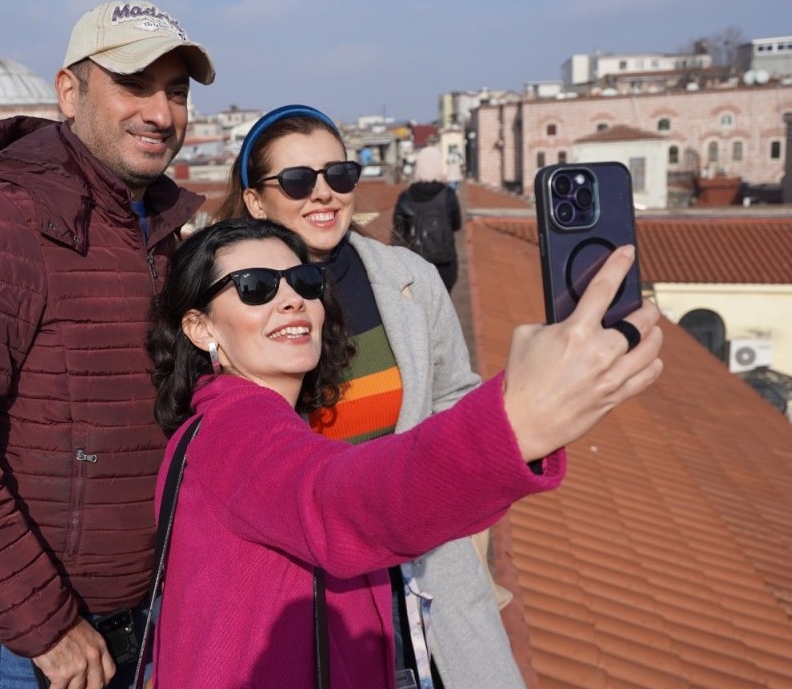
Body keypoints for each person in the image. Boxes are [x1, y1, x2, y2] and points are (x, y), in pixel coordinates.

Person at [144, 217, 663, 689]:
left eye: (304, 282)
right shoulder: (237, 429)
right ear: (201, 328)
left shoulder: (216, 424)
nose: (291, 300)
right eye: (254, 288)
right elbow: (341, 500)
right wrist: (514, 422)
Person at [0, 0, 215, 689]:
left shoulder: (154, 229)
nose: (161, 112)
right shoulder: (2, 224)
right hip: (35, 644)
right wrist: (46, 625)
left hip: (142, 617)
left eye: (176, 91)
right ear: (70, 92)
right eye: (134, 84)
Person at [209, 105, 530, 688]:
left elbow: (452, 401)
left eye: (340, 175)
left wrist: (474, 538)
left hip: (428, 579)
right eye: (299, 181)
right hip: (311, 591)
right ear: (256, 202)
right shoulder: (232, 304)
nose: (324, 194)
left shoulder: (408, 279)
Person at [393, 139, 463, 291]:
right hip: (445, 265)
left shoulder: (406, 197)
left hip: (417, 266)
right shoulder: (448, 195)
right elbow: (457, 225)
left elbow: (397, 236)